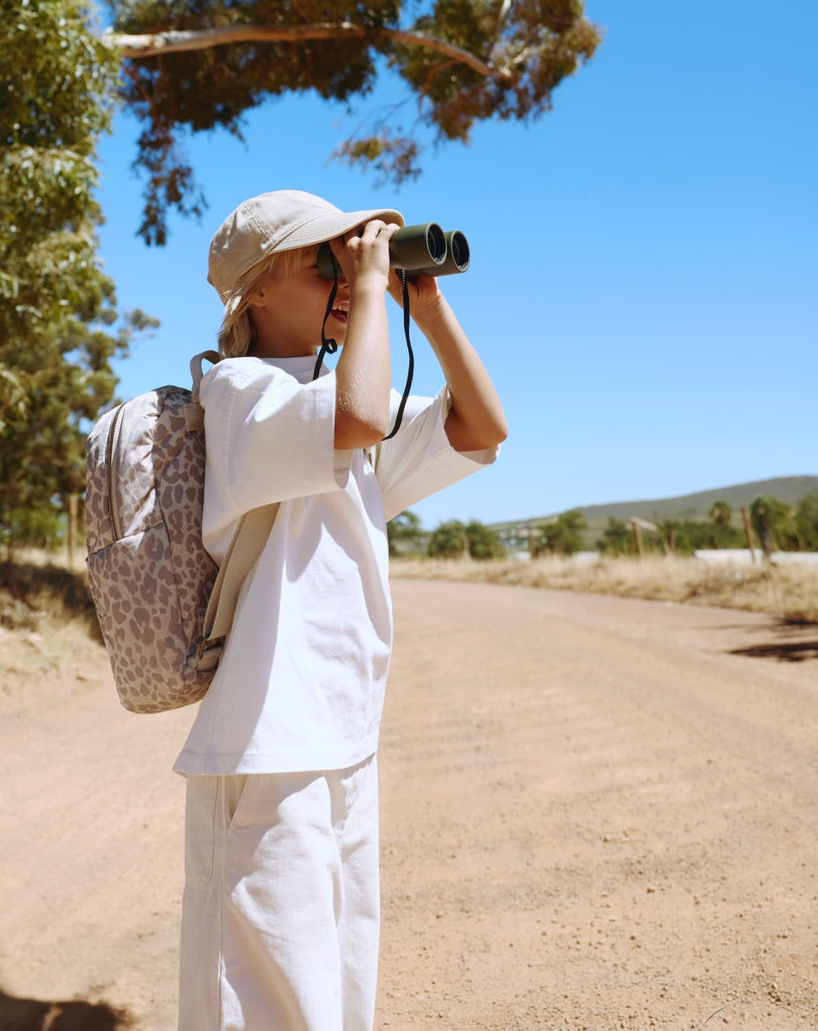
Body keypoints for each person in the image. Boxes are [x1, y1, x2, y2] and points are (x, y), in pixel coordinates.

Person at [174, 190, 507, 1031]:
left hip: (345, 736)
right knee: (264, 998)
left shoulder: (337, 401)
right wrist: (365, 285)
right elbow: (356, 416)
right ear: (252, 290)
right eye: (325, 258)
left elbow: (482, 429)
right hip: (266, 743)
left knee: (341, 989)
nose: (350, 272)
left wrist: (421, 307)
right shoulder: (242, 393)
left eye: (350, 255)